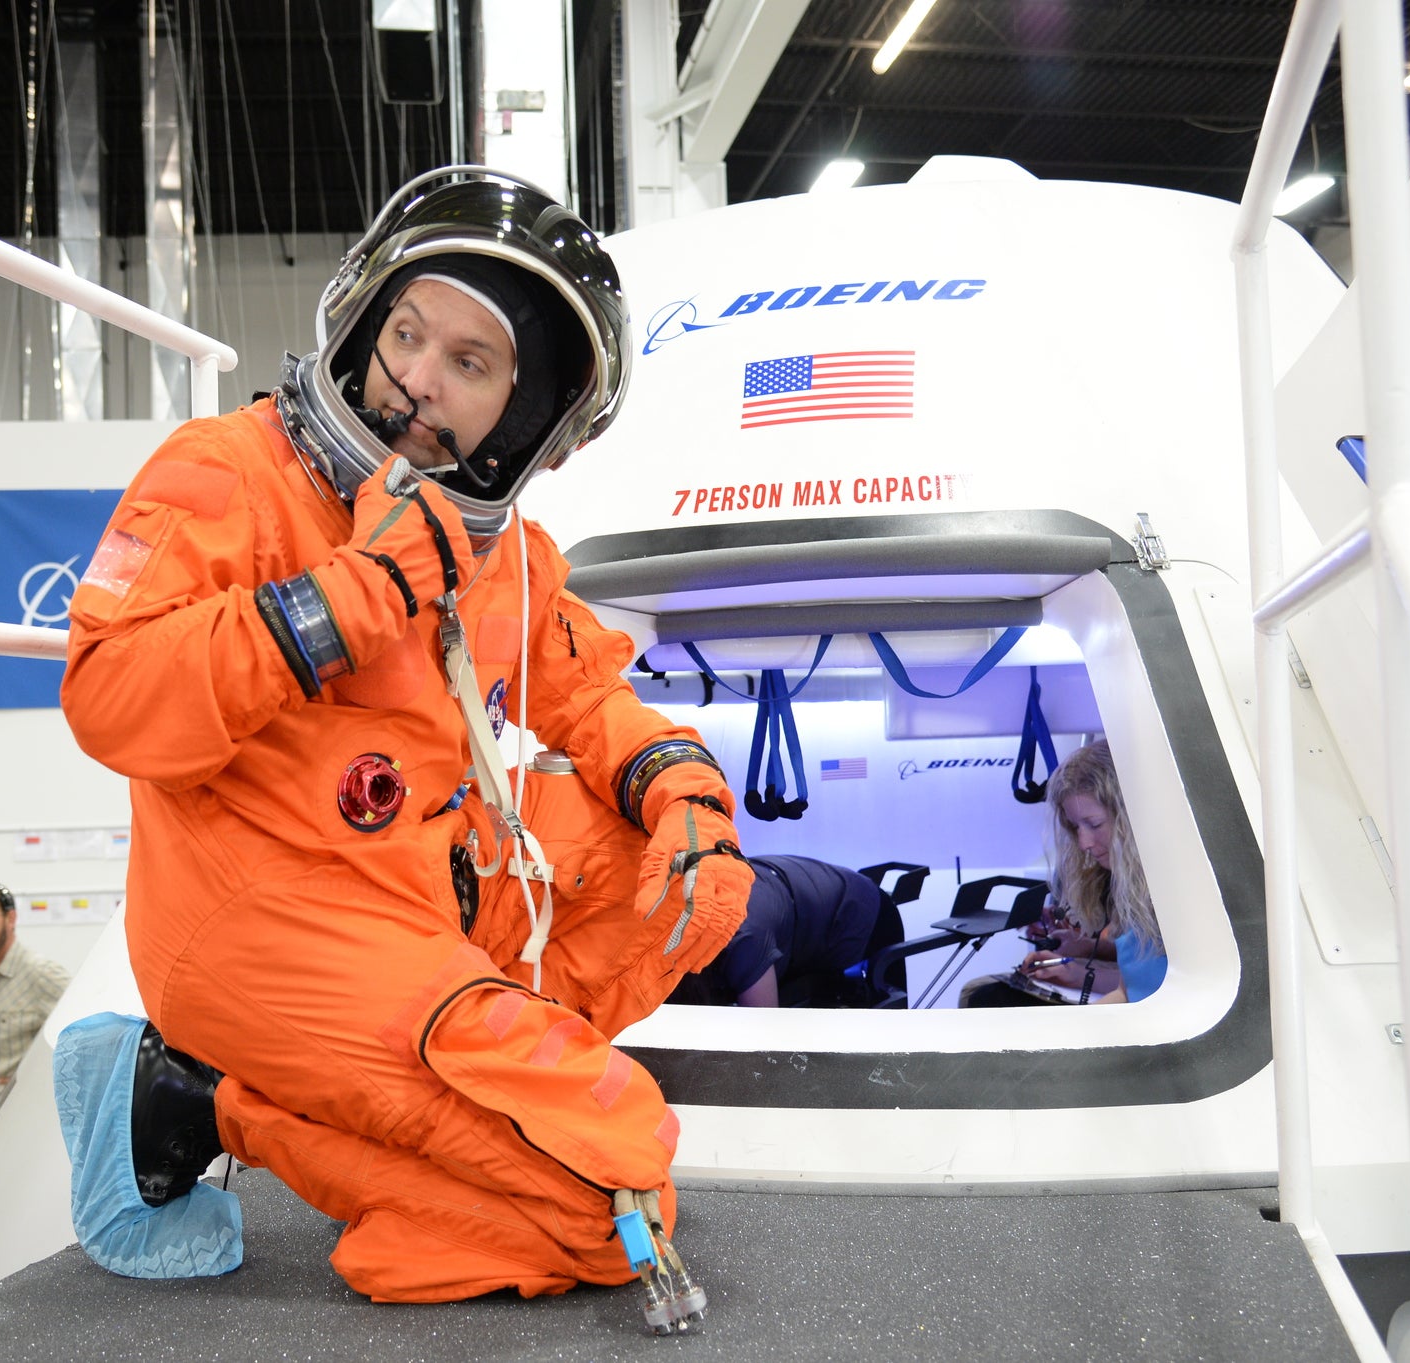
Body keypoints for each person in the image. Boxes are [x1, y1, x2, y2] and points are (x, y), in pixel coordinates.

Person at [58, 168, 753, 1317]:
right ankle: (210, 1104)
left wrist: (681, 789)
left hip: (418, 896)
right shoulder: (225, 471)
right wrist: (343, 597)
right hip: (264, 915)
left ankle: (447, 1121)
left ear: (529, 426)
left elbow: (587, 693)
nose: (415, 381)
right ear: (363, 318)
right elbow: (110, 696)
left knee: (672, 869)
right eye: (408, 334)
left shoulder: (502, 551)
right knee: (609, 1203)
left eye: (469, 365)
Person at [963, 739, 1165, 1006]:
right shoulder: (1131, 890)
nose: (1084, 843)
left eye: (1094, 824)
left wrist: (1079, 975)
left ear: (1131, 815)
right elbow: (1126, 992)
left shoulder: (1174, 893)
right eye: (1076, 827)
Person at [668, 855, 901, 1007]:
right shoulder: (669, 921)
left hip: (863, 913)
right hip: (789, 900)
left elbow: (764, 1046)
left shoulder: (743, 942)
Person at [0, 882, 71, 1131]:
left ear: (11, 918)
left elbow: (82, 1032)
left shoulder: (40, 973)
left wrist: (37, 1081)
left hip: (21, 1123)